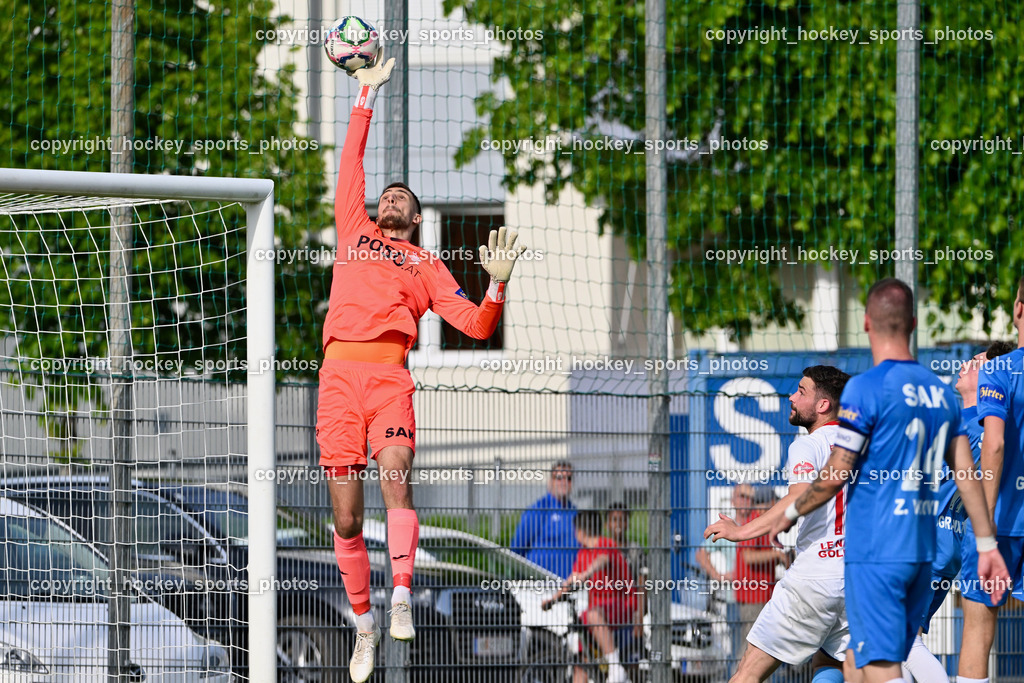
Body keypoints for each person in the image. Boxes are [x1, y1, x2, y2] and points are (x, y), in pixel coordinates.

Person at [317, 56, 526, 682]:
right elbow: (351, 163)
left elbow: (478, 328)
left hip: (388, 380)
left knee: (396, 478)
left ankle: (400, 592)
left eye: (401, 197)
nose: (390, 197)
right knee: (347, 519)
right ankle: (363, 626)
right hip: (336, 380)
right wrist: (364, 94)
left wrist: (496, 288)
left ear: (413, 217)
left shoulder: (425, 263)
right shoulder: (353, 228)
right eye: (387, 194)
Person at [768, 278, 1010, 683]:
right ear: (913, 323)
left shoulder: (865, 388)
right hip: (920, 553)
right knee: (865, 662)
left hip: (875, 552)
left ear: (866, 324)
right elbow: (968, 475)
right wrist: (987, 544)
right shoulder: (938, 393)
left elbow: (837, 472)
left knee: (881, 666)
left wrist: (790, 510)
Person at [705, 365, 851, 683]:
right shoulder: (863, 446)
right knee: (831, 663)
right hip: (857, 579)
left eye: (801, 391)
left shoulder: (808, 444)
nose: (791, 396)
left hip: (814, 580)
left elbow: (798, 496)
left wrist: (741, 531)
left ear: (823, 405)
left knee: (747, 674)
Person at [902, 341, 1014, 682]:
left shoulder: (983, 429)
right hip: (943, 543)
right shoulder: (958, 420)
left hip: (936, 540)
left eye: (977, 362)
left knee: (898, 638)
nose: (966, 365)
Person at [958, 280, 1024, 683]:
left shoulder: (998, 369)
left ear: (1018, 308)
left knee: (978, 634)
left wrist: (983, 526)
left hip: (998, 522)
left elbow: (994, 444)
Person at [542, 510, 640, 683]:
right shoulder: (583, 552)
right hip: (598, 615)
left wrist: (586, 574)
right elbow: (572, 578)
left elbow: (601, 561)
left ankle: (615, 666)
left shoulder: (605, 544)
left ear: (579, 531)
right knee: (581, 661)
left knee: (592, 614)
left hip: (621, 607)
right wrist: (553, 599)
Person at [733, 486, 788, 649]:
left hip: (760, 594)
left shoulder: (760, 523)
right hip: (752, 596)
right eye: (774, 504)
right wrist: (777, 555)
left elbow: (757, 556)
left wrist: (779, 559)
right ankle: (741, 676)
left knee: (759, 648)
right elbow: (748, 557)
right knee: (750, 650)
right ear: (769, 503)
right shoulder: (754, 521)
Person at [511, 461, 578, 578]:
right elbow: (517, 550)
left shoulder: (575, 513)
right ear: (550, 482)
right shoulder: (538, 510)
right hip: (541, 587)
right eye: (559, 478)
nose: (564, 482)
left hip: (570, 587)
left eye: (569, 478)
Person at [606, 503, 647, 639]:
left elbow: (642, 586)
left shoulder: (635, 551)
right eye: (614, 519)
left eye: (622, 520)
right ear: (607, 524)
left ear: (627, 523)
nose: (618, 524)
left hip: (630, 615)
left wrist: (639, 619)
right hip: (607, 615)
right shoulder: (602, 550)